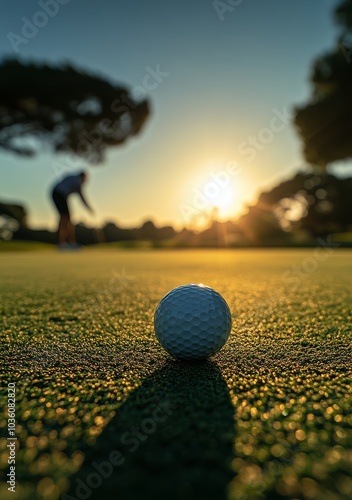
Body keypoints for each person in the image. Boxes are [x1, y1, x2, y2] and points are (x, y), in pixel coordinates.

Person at [51, 171, 93, 248]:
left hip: (59, 194)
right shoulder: (78, 181)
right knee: (65, 218)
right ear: (83, 177)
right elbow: (82, 197)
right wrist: (89, 208)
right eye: (86, 179)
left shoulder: (73, 178)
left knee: (67, 219)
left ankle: (67, 243)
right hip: (59, 195)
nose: (85, 181)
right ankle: (64, 243)